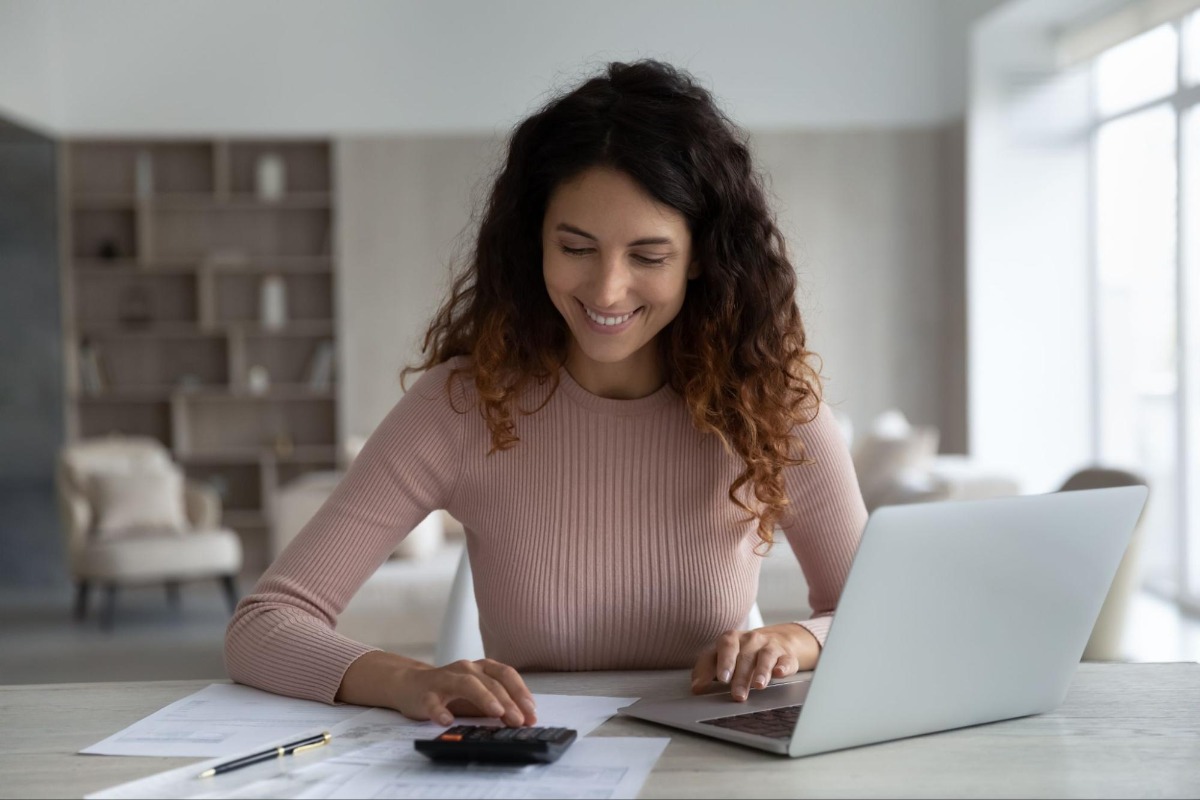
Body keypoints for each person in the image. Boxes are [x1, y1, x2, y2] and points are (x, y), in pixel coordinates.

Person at [225, 59, 867, 730]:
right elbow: (265, 624)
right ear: (534, 240)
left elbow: (877, 619)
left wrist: (801, 640)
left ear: (701, 256)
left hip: (712, 767)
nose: (607, 290)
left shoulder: (771, 408)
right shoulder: (463, 406)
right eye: (576, 247)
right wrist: (404, 678)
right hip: (536, 766)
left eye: (648, 256)